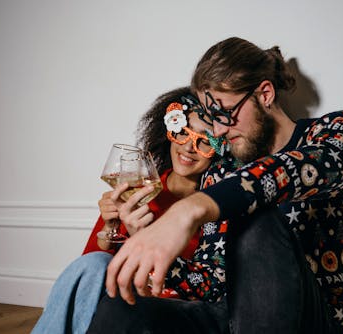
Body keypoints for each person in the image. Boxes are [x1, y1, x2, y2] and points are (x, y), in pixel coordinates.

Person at [88, 37, 343, 334]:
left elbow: (293, 171)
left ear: (265, 94)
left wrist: (189, 210)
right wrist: (144, 237)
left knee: (255, 216)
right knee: (120, 310)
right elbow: (208, 284)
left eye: (224, 113)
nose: (219, 130)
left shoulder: (336, 132)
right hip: (229, 317)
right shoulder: (220, 172)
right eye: (212, 118)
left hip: (309, 319)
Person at [32, 86, 226, 334]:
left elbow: (196, 289)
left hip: (162, 308)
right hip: (115, 295)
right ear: (169, 130)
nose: (189, 147)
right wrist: (109, 226)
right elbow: (88, 273)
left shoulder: (213, 207)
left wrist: (143, 235)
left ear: (221, 151)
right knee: (93, 263)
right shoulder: (140, 188)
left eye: (205, 141)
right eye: (182, 133)